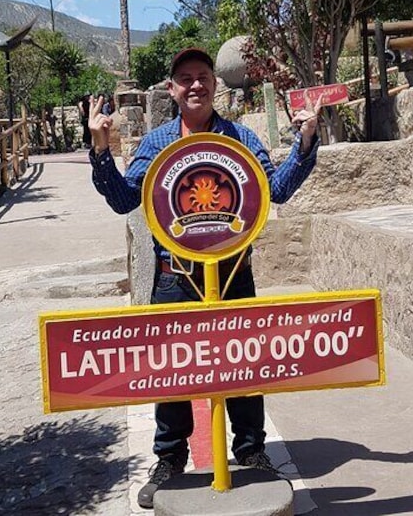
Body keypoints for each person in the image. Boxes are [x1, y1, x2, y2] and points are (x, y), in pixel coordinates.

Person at [87, 48, 323, 509]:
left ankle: (252, 453)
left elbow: (275, 190)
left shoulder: (240, 138)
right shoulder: (156, 144)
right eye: (185, 78)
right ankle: (170, 459)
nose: (195, 85)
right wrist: (100, 150)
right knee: (171, 370)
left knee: (244, 364)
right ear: (172, 89)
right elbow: (122, 200)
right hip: (175, 279)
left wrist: (306, 142)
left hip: (233, 274)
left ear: (215, 84)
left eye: (203, 76)